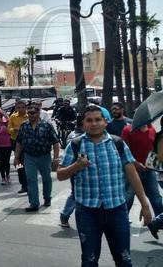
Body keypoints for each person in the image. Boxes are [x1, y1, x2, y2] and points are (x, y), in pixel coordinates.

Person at [57, 105, 153, 267]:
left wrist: (145, 204)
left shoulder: (118, 144)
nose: (94, 123)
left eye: (97, 119)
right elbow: (60, 174)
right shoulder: (75, 145)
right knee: (89, 260)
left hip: (117, 210)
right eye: (89, 120)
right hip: (87, 212)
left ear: (105, 122)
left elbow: (132, 174)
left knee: (123, 259)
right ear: (83, 124)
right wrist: (76, 167)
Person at [14, 103, 60, 212]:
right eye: (29, 113)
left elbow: (55, 143)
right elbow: (19, 143)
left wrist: (56, 159)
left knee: (46, 179)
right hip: (29, 157)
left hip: (44, 156)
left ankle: (47, 197)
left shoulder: (47, 126)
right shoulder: (24, 126)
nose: (30, 115)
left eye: (33, 113)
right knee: (31, 180)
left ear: (38, 113)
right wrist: (16, 157)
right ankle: (33, 203)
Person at [121, 123, 163, 216]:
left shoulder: (151, 128)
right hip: (133, 170)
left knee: (155, 198)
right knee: (128, 198)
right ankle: (122, 219)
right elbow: (123, 150)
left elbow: (155, 147)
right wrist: (135, 163)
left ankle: (159, 221)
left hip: (149, 170)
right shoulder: (127, 130)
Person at [59, 115, 85, 228]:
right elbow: (63, 167)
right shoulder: (76, 138)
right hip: (77, 171)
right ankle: (65, 215)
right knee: (75, 194)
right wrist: (75, 166)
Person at [7, 101, 28, 194]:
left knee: (28, 163)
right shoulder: (13, 117)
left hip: (28, 142)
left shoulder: (29, 116)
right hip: (16, 142)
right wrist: (15, 129)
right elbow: (8, 130)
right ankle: (23, 185)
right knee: (19, 164)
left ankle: (29, 184)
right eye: (18, 107)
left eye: (22, 107)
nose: (20, 109)